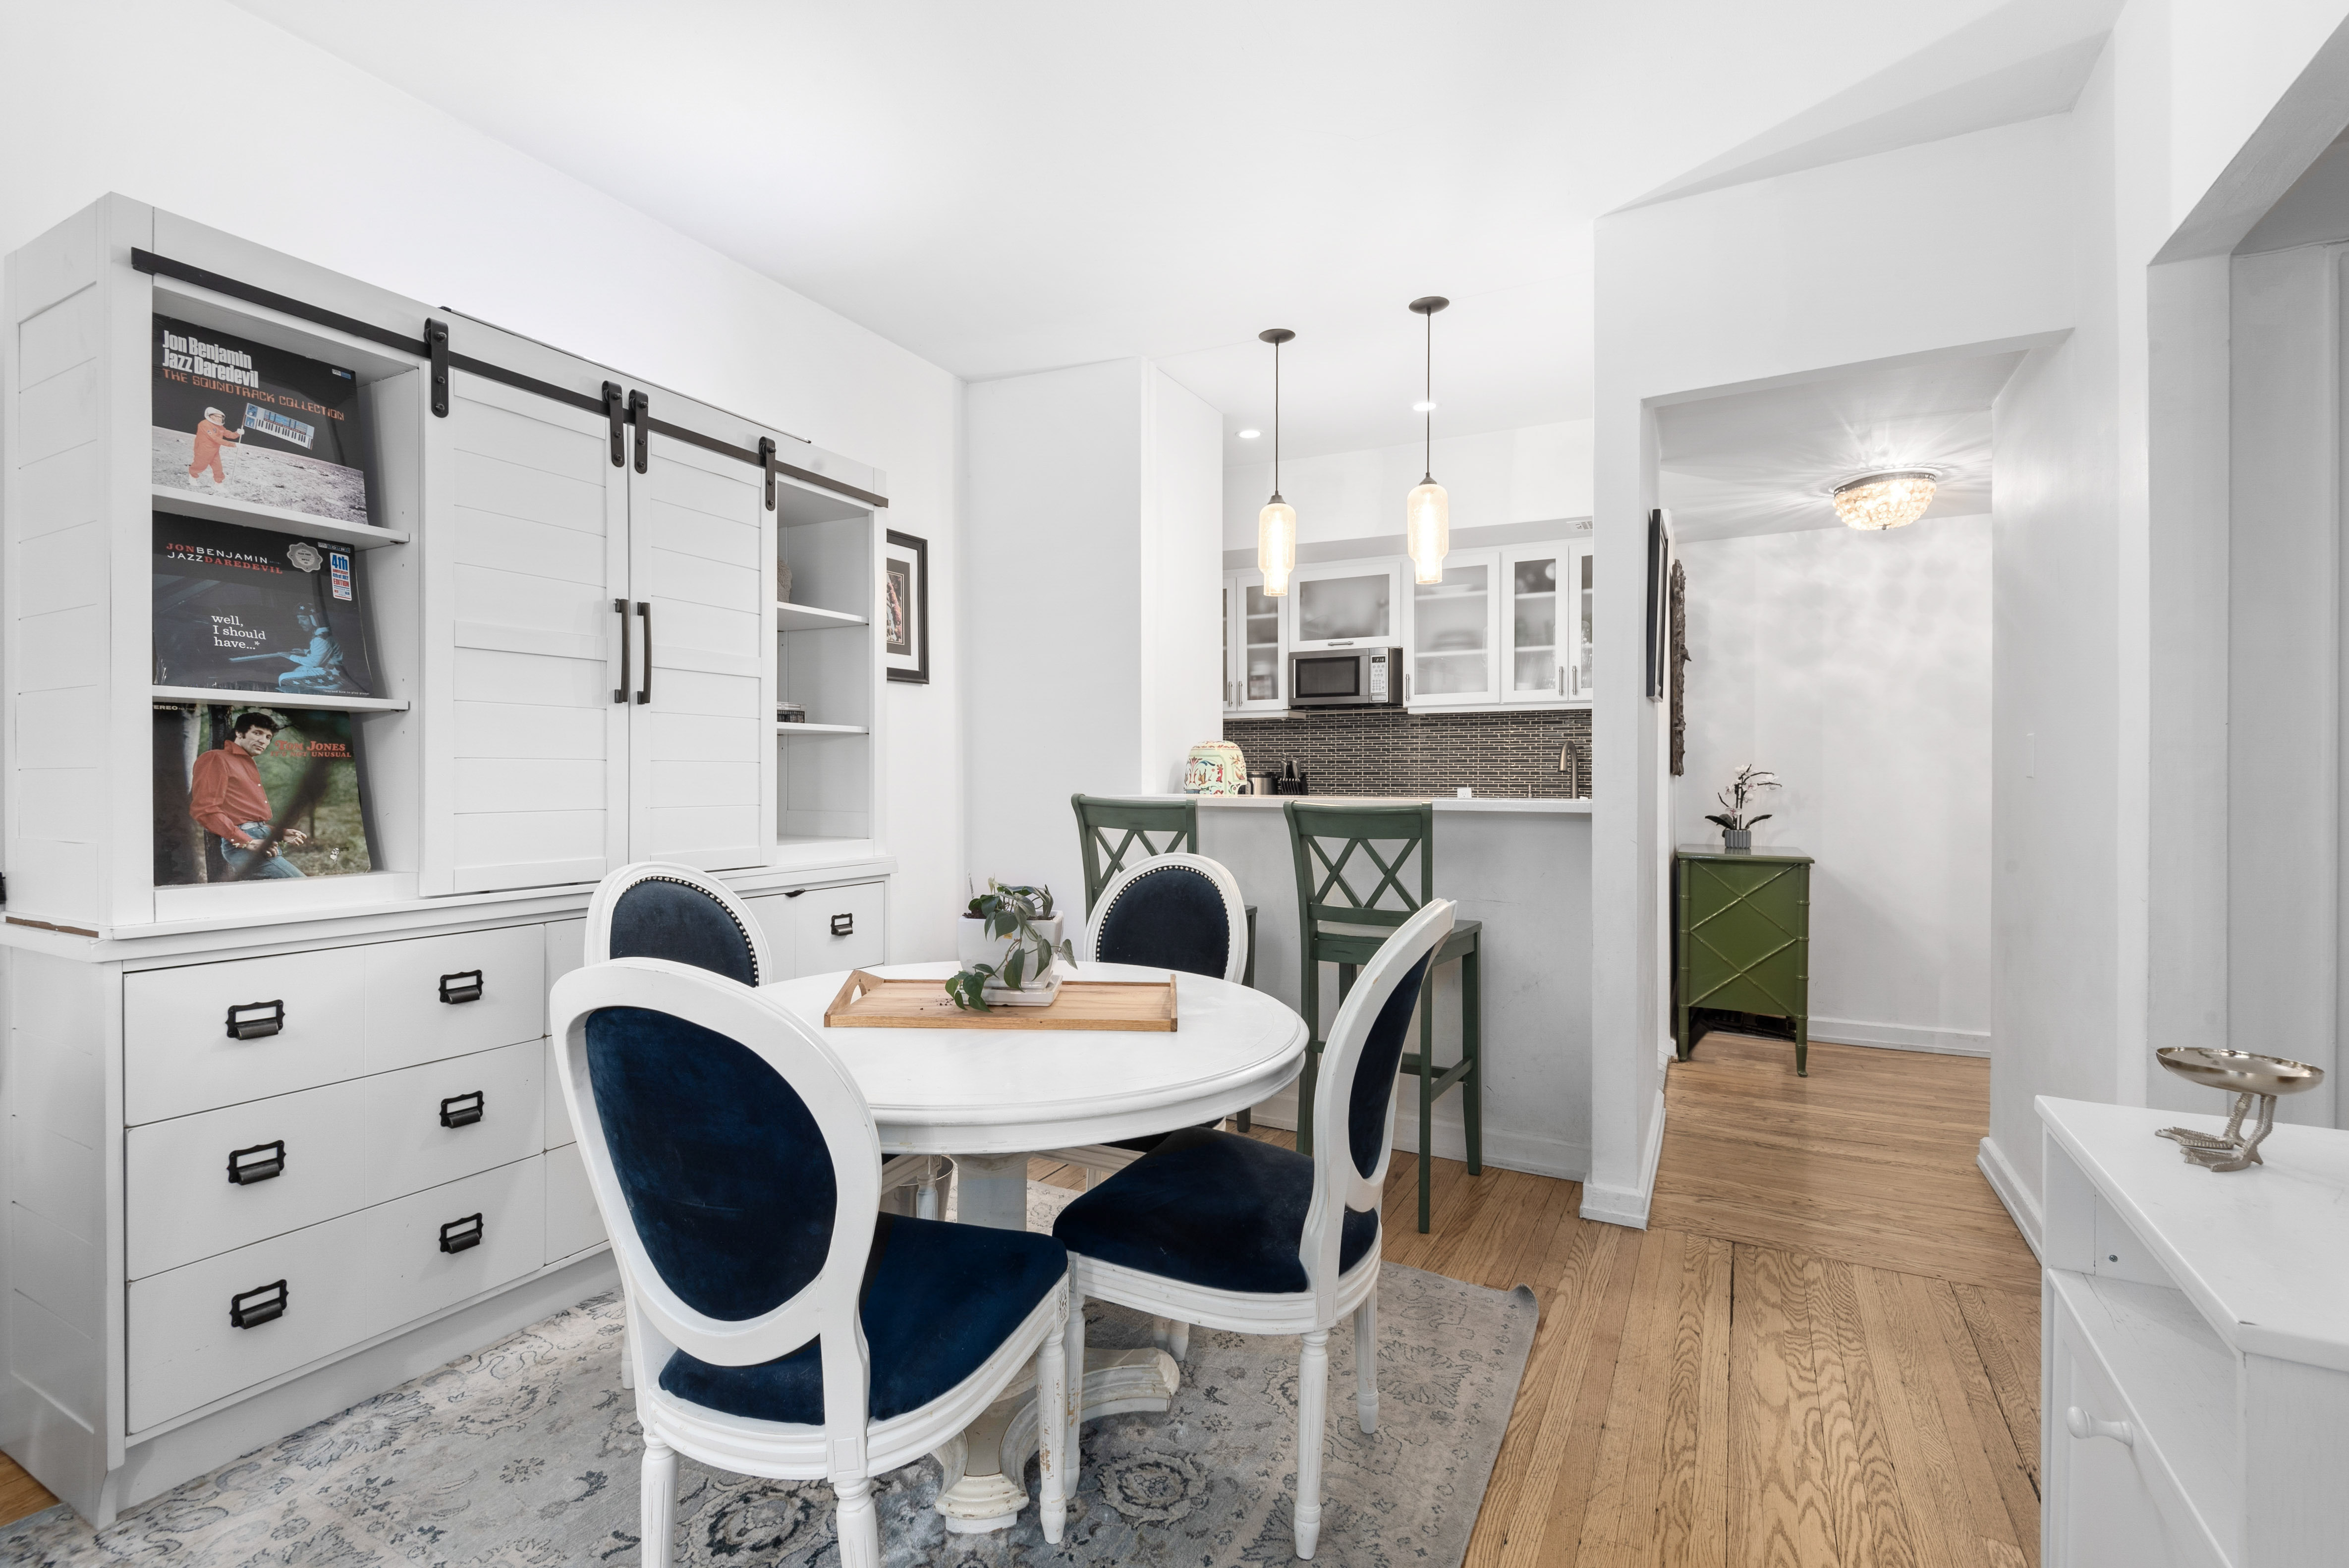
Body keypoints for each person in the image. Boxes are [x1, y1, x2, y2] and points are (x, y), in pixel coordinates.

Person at [188, 711, 308, 879]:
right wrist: (247, 841)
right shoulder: (216, 758)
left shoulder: (247, 764)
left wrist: (281, 833)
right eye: (257, 733)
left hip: (262, 840)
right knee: (299, 884)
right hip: (244, 845)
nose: (263, 741)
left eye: (268, 737)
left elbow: (247, 818)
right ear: (239, 733)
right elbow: (205, 809)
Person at [188, 405, 243, 486]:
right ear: (211, 416)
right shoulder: (204, 424)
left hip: (214, 451)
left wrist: (237, 433)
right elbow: (215, 438)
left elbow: (229, 434)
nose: (220, 419)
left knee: (218, 468)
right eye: (218, 417)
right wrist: (233, 445)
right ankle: (193, 477)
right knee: (200, 465)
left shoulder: (220, 427)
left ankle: (218, 484)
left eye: (221, 418)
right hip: (203, 450)